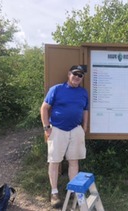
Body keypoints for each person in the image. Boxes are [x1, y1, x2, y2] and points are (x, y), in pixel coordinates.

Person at [40, 65, 89, 208]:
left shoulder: (83, 92)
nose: (77, 77)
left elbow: (85, 110)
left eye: (80, 75)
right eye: (75, 74)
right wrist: (46, 127)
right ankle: (54, 193)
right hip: (57, 130)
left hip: (76, 130)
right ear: (69, 74)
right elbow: (44, 108)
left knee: (74, 162)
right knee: (54, 161)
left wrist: (84, 127)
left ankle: (73, 191)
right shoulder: (56, 89)